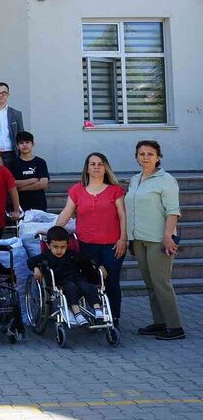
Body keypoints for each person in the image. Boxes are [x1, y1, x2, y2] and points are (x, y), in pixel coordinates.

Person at [56, 152, 126, 328]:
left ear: (105, 167)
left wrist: (123, 239)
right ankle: (97, 313)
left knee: (111, 282)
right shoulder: (77, 190)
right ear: (87, 168)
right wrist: (55, 231)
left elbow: (123, 216)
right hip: (86, 246)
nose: (96, 167)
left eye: (100, 164)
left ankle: (114, 318)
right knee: (89, 282)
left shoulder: (115, 190)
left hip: (112, 245)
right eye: (92, 164)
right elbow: (66, 212)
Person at [125, 140, 185, 340]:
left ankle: (175, 327)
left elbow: (173, 211)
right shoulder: (135, 179)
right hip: (138, 239)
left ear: (158, 157)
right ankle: (160, 323)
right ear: (136, 157)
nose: (145, 157)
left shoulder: (166, 180)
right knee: (150, 283)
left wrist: (168, 237)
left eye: (150, 154)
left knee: (161, 283)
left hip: (159, 239)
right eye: (141, 154)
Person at [28, 226, 107, 326]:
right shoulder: (46, 255)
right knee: (71, 288)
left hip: (76, 278)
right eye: (55, 247)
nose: (59, 250)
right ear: (48, 245)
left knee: (89, 286)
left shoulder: (71, 254)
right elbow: (31, 260)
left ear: (67, 245)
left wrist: (99, 265)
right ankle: (77, 313)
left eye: (62, 247)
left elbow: (87, 259)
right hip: (60, 282)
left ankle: (97, 309)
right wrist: (36, 268)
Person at [11, 131, 50, 212]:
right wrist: (31, 180)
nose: (24, 145)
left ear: (33, 144)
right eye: (21, 143)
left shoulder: (41, 162)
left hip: (39, 205)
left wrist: (22, 188)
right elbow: (12, 183)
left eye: (27, 142)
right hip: (21, 206)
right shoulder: (13, 164)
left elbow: (43, 183)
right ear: (17, 146)